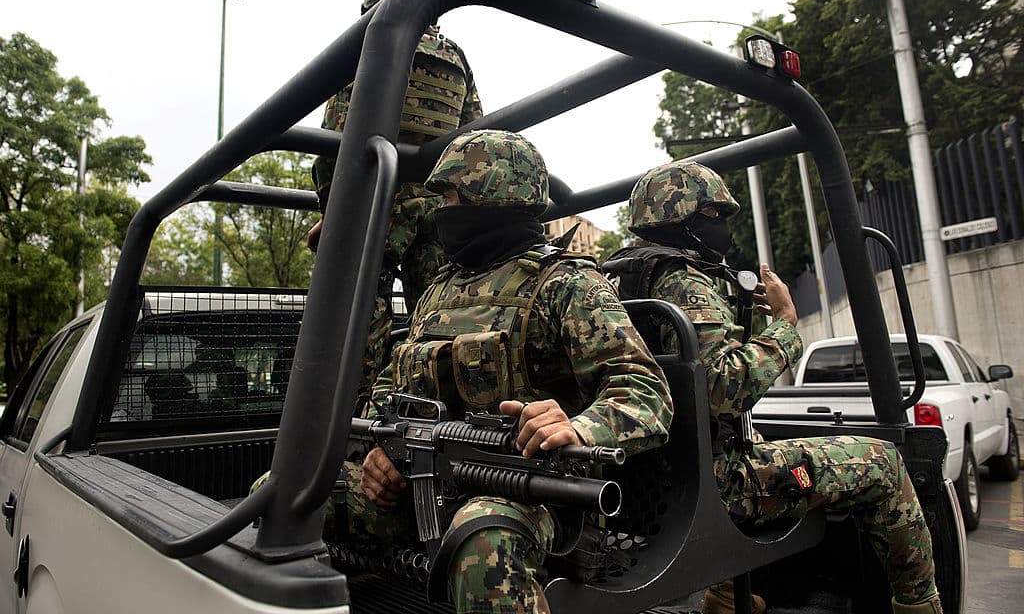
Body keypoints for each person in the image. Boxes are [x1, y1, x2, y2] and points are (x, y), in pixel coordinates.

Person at [348, 129, 674, 613]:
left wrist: (578, 427)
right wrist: (380, 448)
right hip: (425, 482)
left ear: (493, 197)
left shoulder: (567, 283)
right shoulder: (439, 289)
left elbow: (647, 392)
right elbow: (393, 381)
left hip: (536, 494)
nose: (442, 210)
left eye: (452, 196)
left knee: (482, 545)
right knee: (287, 495)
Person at [607, 160, 943, 614]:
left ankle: (725, 597)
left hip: (640, 483)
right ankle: (921, 607)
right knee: (883, 462)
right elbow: (724, 388)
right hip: (714, 485)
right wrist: (785, 325)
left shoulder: (611, 280)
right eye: (717, 217)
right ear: (686, 218)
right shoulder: (683, 281)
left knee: (753, 439)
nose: (725, 229)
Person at [308, 0, 484, 395]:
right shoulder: (456, 58)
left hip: (373, 207)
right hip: (436, 209)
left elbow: (336, 140)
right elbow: (474, 137)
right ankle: (434, 414)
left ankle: (352, 418)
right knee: (437, 316)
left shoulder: (368, 43)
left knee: (357, 321)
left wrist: (331, 209)